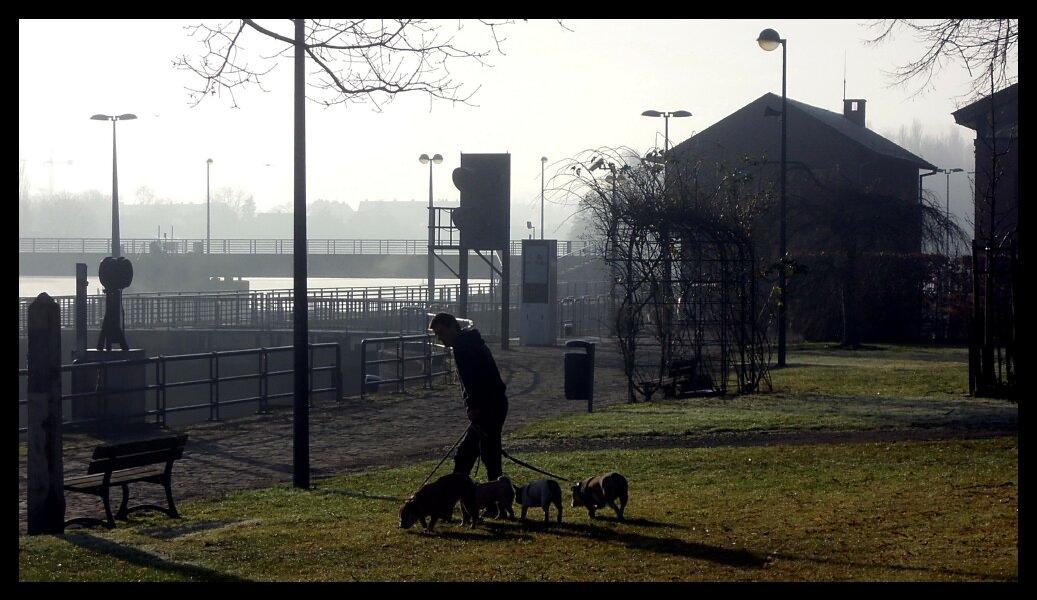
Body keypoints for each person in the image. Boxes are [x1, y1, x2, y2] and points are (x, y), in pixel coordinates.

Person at [429, 312, 509, 493]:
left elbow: (474, 380)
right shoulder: (468, 342)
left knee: (473, 455)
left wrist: (473, 406)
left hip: (488, 407)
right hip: (493, 405)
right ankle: (490, 498)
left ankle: (458, 496)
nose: (440, 338)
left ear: (451, 327)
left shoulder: (463, 347)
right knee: (486, 454)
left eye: (441, 332)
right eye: (437, 334)